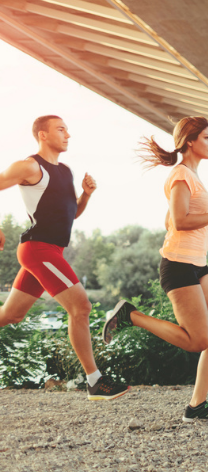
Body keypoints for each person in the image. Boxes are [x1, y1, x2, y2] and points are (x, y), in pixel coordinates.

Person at [102, 116, 208, 420]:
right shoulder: (180, 175)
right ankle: (131, 315)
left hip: (198, 264)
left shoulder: (192, 175)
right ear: (190, 141)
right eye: (206, 138)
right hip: (178, 265)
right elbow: (178, 222)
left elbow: (170, 221)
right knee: (198, 340)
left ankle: (197, 405)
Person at [0, 115, 130, 400]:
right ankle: (95, 381)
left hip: (51, 251)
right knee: (81, 307)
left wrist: (86, 195)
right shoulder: (29, 166)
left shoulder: (66, 171)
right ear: (43, 135)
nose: (68, 134)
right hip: (38, 249)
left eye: (67, 130)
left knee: (11, 315)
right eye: (61, 129)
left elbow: (72, 214)